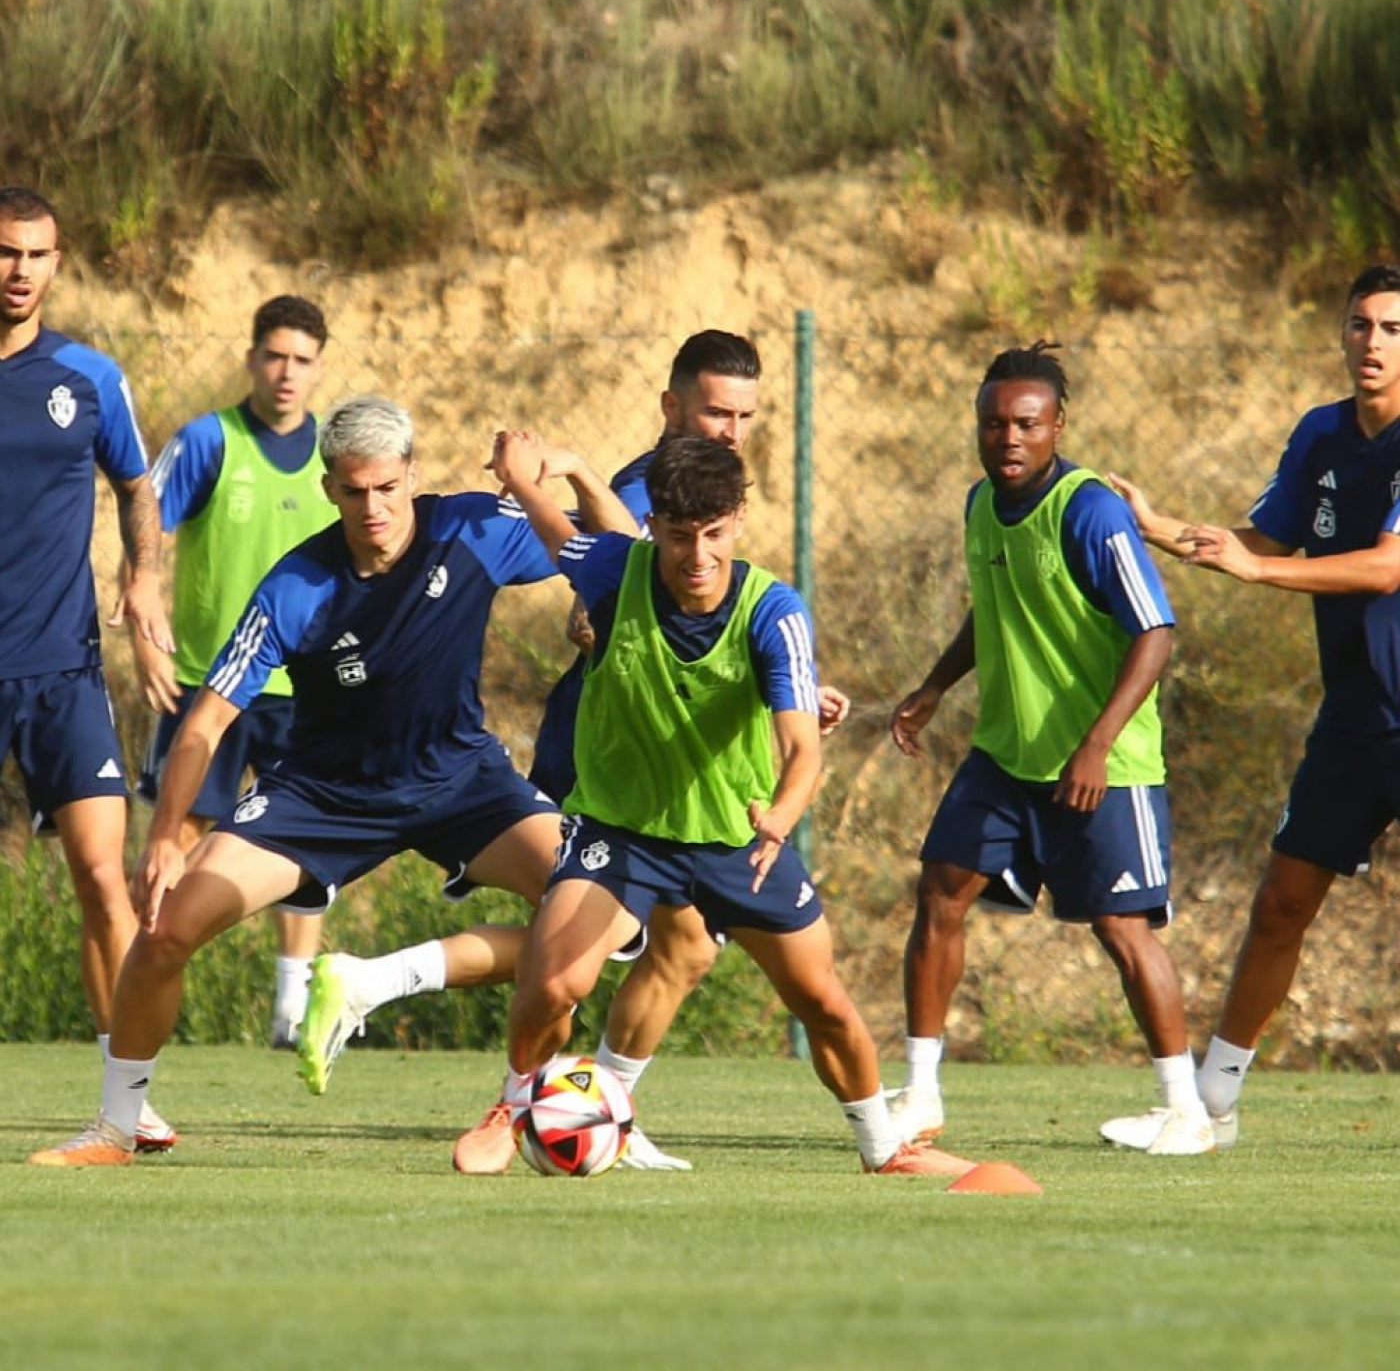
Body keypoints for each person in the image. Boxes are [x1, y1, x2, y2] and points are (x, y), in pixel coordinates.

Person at [28, 395, 631, 1167]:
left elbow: (625, 559)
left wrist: (574, 468)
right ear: (329, 489)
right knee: (165, 926)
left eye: (387, 487)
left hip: (462, 782)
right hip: (322, 795)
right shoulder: (298, 585)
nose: (373, 507)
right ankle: (116, 1128)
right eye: (354, 491)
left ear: (412, 476)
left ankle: (482, 1079)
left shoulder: (471, 528)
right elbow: (206, 722)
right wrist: (164, 840)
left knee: (594, 917)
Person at [304, 331, 846, 1174]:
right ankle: (451, 1045)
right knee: (588, 949)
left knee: (678, 947)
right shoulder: (651, 489)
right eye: (714, 410)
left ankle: (599, 1109)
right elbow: (604, 574)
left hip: (677, 765)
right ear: (672, 409)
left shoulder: (706, 490)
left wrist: (792, 692)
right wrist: (561, 493)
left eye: (745, 415)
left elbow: (727, 618)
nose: (731, 429)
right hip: (615, 754)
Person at [485, 429, 972, 1178]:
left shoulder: (772, 612)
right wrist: (522, 478)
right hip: (623, 830)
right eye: (680, 536)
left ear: (739, 520)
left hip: (738, 838)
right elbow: (559, 534)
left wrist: (780, 815)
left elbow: (803, 748)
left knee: (823, 1003)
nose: (698, 555)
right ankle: (516, 1108)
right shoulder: (616, 571)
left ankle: (882, 1148)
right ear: (654, 528)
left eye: (714, 534)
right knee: (554, 984)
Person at [888, 341, 1215, 1157]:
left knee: (1122, 930)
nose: (1009, 438)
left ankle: (1186, 1110)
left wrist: (1097, 745)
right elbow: (995, 606)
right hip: (1005, 755)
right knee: (941, 893)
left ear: (1057, 425)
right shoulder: (978, 505)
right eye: (994, 423)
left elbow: (1155, 630)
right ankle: (921, 1095)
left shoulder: (1088, 509)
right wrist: (936, 687)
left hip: (1104, 764)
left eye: (1027, 424)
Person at [1101, 264, 1400, 1152]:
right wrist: (1162, 532)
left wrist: (1261, 571)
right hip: (1358, 718)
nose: (1372, 344)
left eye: (1391, 328)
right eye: (1359, 326)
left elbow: (1387, 566)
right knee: (1282, 902)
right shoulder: (1320, 435)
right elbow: (1262, 537)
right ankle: (1211, 1107)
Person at [0, 185, 178, 1154]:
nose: (20, 270)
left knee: (104, 877)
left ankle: (126, 1096)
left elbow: (135, 481)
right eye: (5, 252)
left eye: (37, 253)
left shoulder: (87, 376)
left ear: (57, 263)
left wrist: (143, 577)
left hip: (63, 668)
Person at [135, 295, 333, 1048]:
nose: (287, 373)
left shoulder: (335, 457)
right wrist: (146, 629)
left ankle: (293, 1006)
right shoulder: (208, 441)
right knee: (178, 828)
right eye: (275, 356)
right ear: (251, 358)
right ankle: (148, 973)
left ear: (319, 368)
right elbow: (144, 522)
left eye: (303, 360)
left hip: (307, 685)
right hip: (209, 681)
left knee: (306, 836)